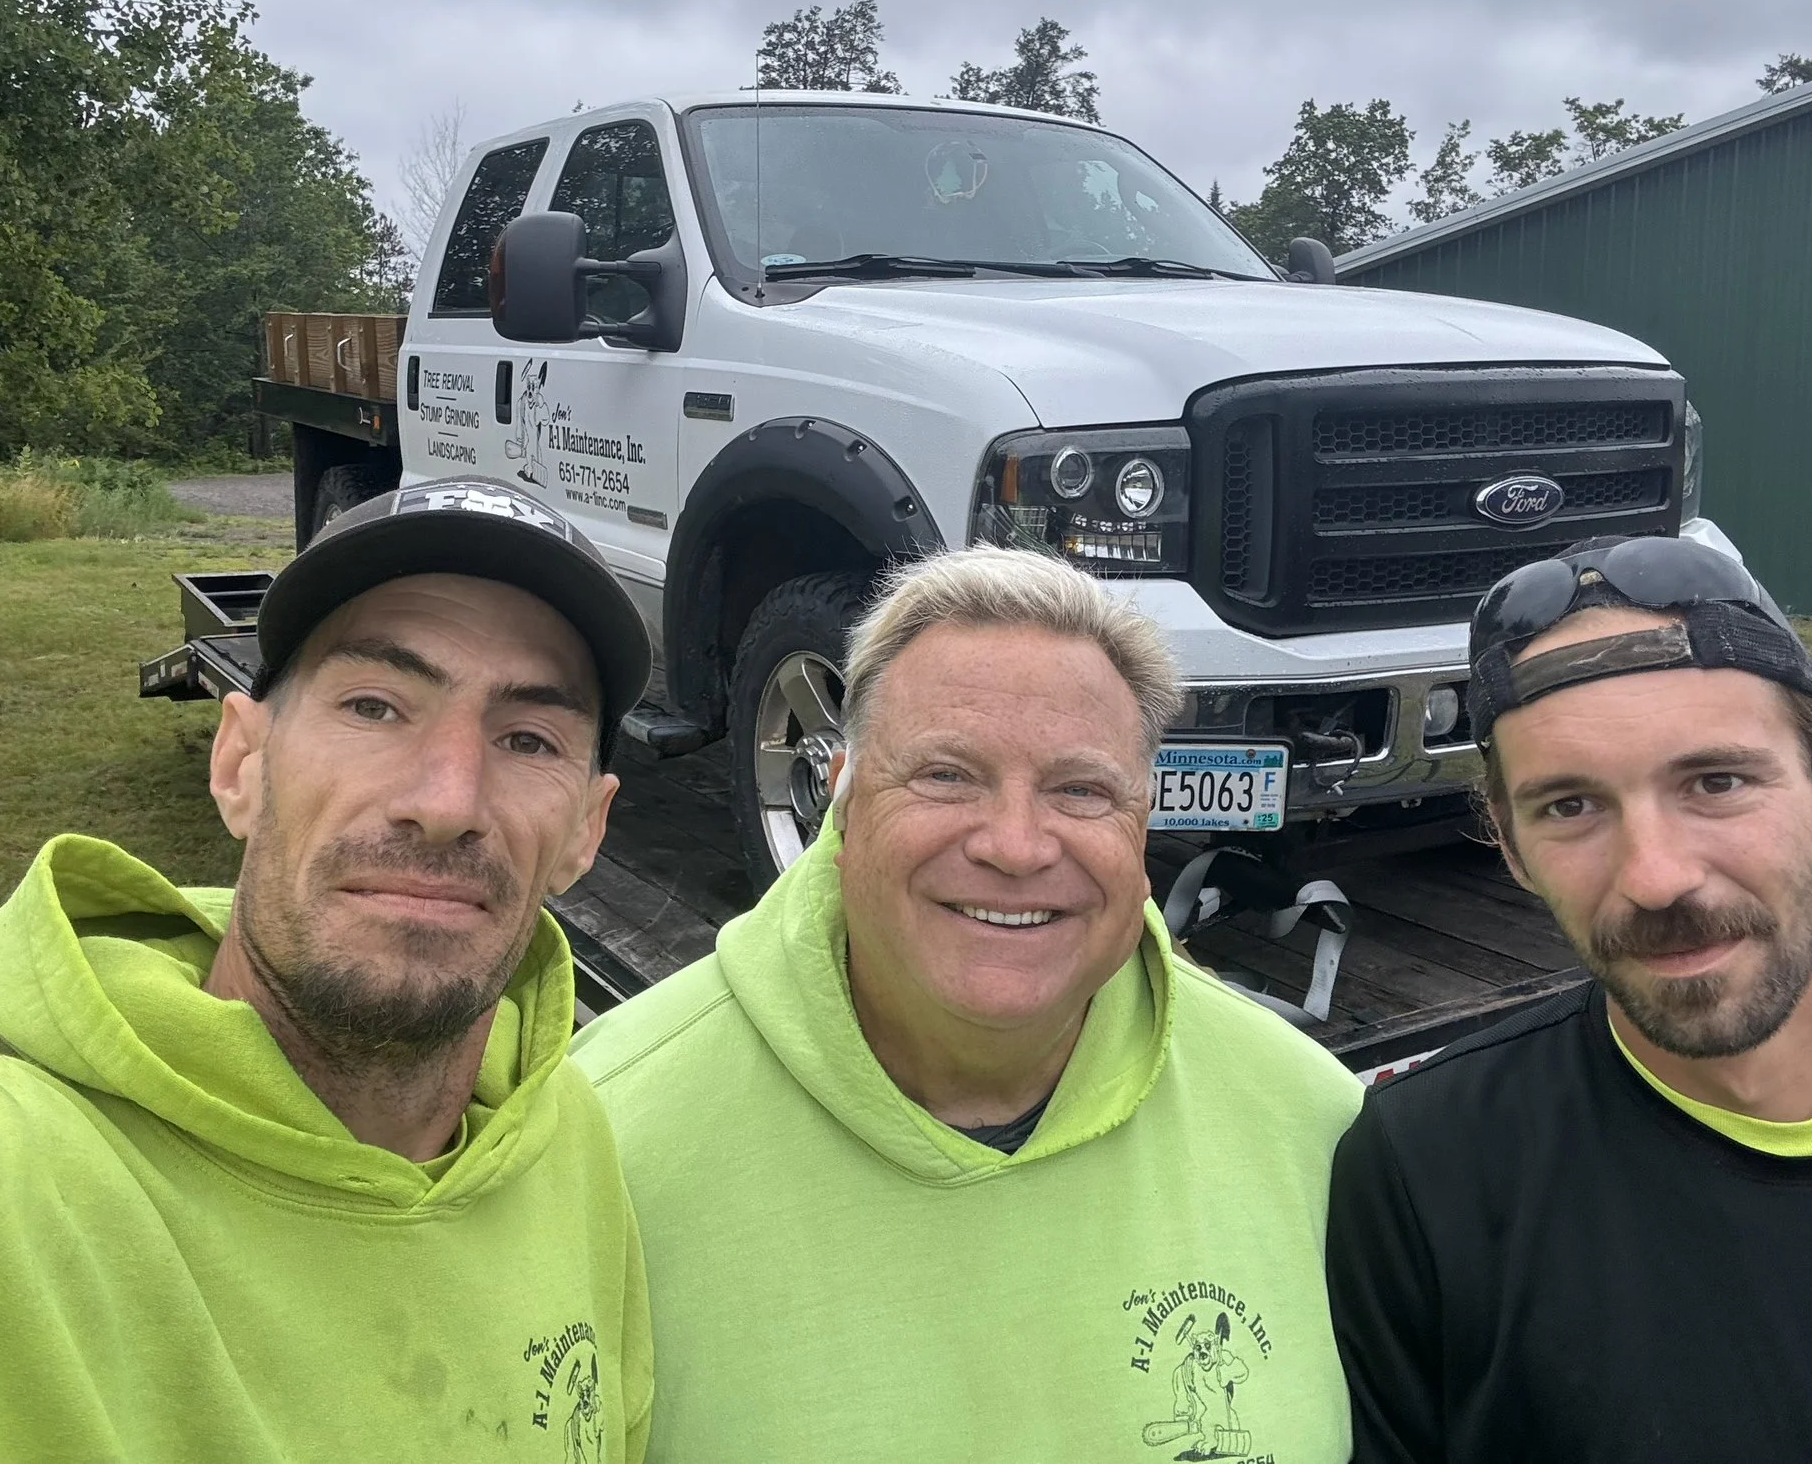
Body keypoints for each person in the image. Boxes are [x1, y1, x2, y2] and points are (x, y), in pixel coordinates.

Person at [0, 478, 656, 1462]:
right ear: (240, 765)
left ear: (585, 829)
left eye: (527, 737)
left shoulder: (569, 1143)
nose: (447, 798)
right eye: (374, 707)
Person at [1325, 534, 1812, 1462]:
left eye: (1717, 781)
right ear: (1509, 849)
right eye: (1571, 807)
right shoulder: (1425, 1177)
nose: (1657, 877)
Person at [573, 545, 1362, 1461]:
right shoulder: (605, 1139)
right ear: (844, 801)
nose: (1018, 846)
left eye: (1080, 788)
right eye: (948, 774)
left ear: (1141, 823)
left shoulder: (1312, 1122)